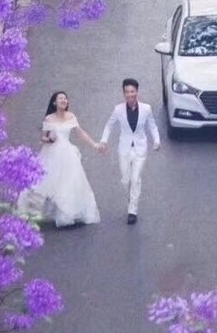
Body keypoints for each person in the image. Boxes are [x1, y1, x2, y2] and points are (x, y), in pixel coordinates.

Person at [18, 92, 100, 228]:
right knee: (43, 182)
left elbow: (80, 133)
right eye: (60, 98)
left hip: (67, 154)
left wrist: (94, 145)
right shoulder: (49, 119)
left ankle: (66, 213)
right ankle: (31, 210)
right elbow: (43, 138)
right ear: (55, 103)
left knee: (68, 182)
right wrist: (50, 139)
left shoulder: (71, 117)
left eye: (65, 98)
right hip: (51, 153)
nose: (64, 100)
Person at [97, 78, 160, 224]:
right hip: (124, 148)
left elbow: (152, 126)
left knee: (135, 178)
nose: (130, 95)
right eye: (127, 92)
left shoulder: (146, 109)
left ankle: (132, 210)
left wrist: (157, 141)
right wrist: (104, 141)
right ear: (123, 93)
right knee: (126, 179)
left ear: (137, 92)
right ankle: (131, 195)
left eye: (132, 91)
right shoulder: (118, 110)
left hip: (140, 148)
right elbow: (109, 126)